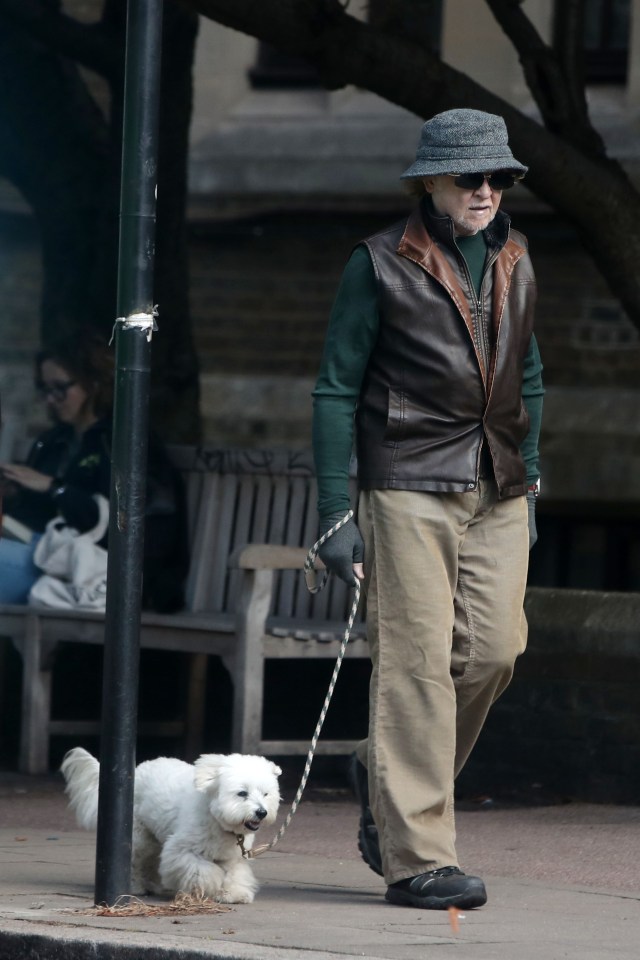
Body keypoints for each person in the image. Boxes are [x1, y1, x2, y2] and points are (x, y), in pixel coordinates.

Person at [312, 109, 544, 911]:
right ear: (430, 182)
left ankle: (385, 777)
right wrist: (337, 515)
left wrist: (531, 477)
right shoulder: (376, 263)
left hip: (499, 485)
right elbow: (336, 388)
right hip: (406, 480)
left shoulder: (516, 256)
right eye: (469, 177)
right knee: (414, 663)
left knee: (494, 652)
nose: (485, 190)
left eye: (498, 177)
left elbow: (530, 377)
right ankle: (417, 860)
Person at [0, 333, 187, 611]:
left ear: (94, 383)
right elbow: (36, 521)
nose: (51, 399)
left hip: (100, 573)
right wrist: (13, 496)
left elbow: (127, 525)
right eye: (45, 389)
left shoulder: (122, 442)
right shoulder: (54, 441)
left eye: (60, 388)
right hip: (49, 559)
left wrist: (55, 488)